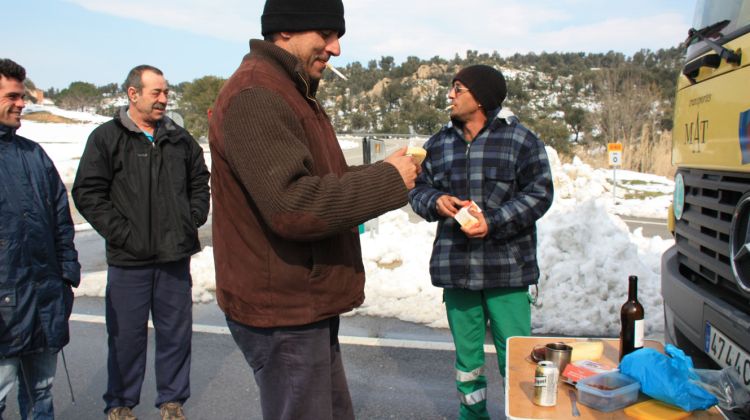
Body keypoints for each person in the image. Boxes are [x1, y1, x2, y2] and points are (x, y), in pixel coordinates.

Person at [208, 0, 420, 418]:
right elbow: (293, 204)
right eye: (326, 34)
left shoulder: (288, 89)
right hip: (283, 308)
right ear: (285, 29)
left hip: (300, 301)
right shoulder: (258, 94)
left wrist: (383, 171)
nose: (336, 48)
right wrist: (389, 180)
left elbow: (317, 183)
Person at [408, 65, 554, 419]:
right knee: (467, 361)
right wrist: (435, 201)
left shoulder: (520, 140)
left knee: (519, 359)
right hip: (457, 269)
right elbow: (418, 189)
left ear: (481, 98)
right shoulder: (438, 144)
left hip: (507, 270)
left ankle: (523, 415)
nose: (450, 96)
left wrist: (494, 221)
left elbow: (541, 193)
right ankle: (472, 417)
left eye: (458, 89)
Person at [72, 65, 210, 420]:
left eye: (166, 93)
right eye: (156, 93)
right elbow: (87, 192)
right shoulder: (107, 138)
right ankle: (120, 404)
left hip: (173, 258)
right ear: (133, 94)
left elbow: (200, 179)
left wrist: (191, 217)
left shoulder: (179, 138)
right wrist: (121, 233)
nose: (164, 99)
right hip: (128, 260)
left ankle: (172, 401)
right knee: (125, 338)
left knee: (175, 336)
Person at [0, 58, 80, 419]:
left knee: (41, 395)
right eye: (13, 96)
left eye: (22, 96)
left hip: (44, 301)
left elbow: (62, 225)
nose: (21, 104)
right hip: (5, 307)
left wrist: (66, 278)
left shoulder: (34, 156)